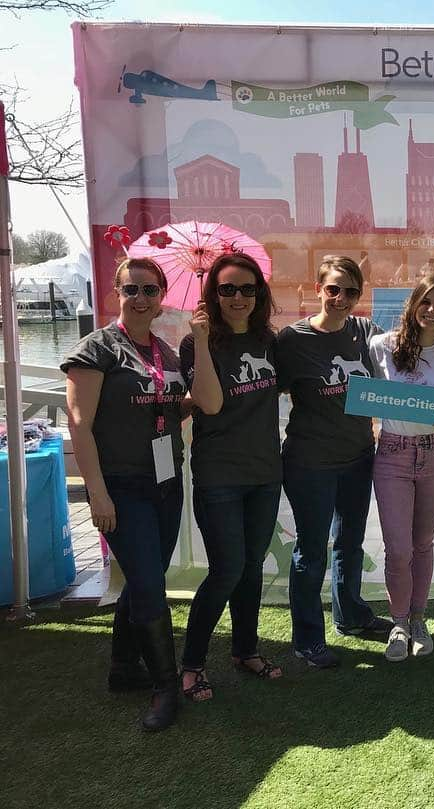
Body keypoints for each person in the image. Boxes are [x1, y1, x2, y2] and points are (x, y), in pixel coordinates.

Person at [63, 257, 197, 731]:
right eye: (131, 289)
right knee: (149, 584)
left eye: (149, 290)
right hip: (122, 487)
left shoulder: (164, 351)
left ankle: (123, 668)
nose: (140, 298)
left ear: (161, 297)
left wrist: (190, 402)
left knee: (146, 577)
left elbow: (163, 410)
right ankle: (165, 686)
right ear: (116, 294)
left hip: (165, 483)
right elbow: (79, 426)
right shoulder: (97, 349)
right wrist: (96, 494)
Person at [276, 255, 393, 668]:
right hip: (310, 463)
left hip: (358, 457)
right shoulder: (292, 340)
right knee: (311, 550)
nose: (341, 298)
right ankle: (308, 638)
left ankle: (351, 615)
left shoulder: (365, 332)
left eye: (351, 291)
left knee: (350, 543)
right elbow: (264, 394)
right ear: (318, 288)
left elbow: (401, 370)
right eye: (333, 289)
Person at [178, 253, 284, 701]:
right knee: (226, 570)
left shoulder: (269, 341)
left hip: (264, 472)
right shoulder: (196, 345)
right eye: (227, 289)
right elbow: (211, 404)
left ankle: (245, 650)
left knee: (253, 567)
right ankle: (192, 664)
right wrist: (201, 341)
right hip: (219, 474)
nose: (238, 297)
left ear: (258, 293)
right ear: (213, 294)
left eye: (246, 288)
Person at [368, 275, 434, 661]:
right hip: (392, 453)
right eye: (426, 302)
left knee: (422, 543)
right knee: (397, 547)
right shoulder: (382, 346)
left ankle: (419, 618)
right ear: (413, 305)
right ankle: (398, 622)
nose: (432, 310)